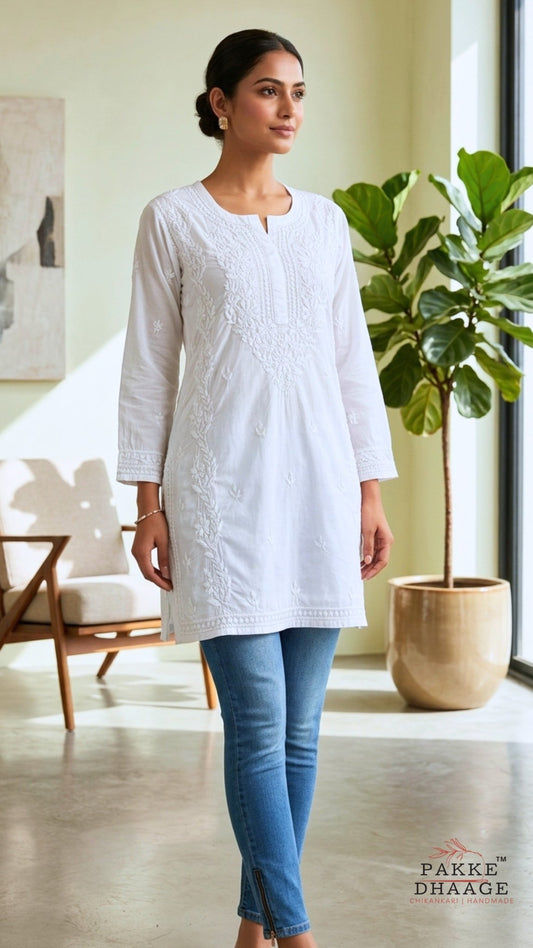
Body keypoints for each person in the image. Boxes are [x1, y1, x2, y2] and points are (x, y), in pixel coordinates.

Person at [117, 28, 397, 948]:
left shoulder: (321, 221)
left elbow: (351, 365)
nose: (289, 111)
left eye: (299, 93)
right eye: (270, 91)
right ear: (219, 102)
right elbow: (149, 369)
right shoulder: (173, 218)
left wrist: (369, 490)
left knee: (302, 734)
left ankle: (253, 924)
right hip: (221, 496)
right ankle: (299, 932)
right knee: (257, 723)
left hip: (319, 492)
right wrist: (147, 503)